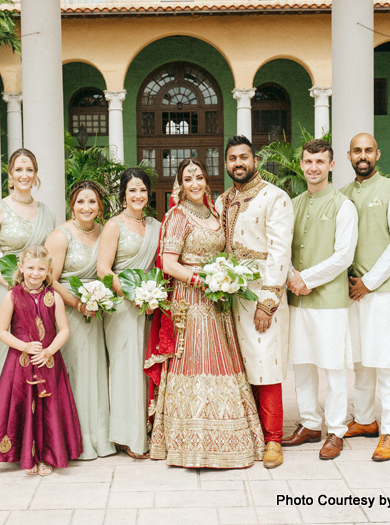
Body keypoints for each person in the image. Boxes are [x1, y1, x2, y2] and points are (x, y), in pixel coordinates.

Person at [146, 158, 265, 469]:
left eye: (199, 176)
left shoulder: (214, 214)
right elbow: (169, 263)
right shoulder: (178, 216)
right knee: (196, 362)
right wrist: (201, 280)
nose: (195, 183)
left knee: (223, 359)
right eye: (188, 179)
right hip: (191, 299)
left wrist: (225, 277)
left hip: (218, 298)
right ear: (180, 186)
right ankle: (190, 442)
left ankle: (230, 438)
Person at [214, 135, 293, 469]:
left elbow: (280, 250)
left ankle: (273, 439)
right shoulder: (222, 200)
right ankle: (250, 434)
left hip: (261, 295)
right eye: (232, 158)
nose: (238, 163)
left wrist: (268, 301)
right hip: (228, 298)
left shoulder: (275, 197)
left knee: (266, 363)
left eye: (243, 157)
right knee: (239, 367)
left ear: (255, 160)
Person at [339, 133, 390, 461]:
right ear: (349, 155)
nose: (363, 155)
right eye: (357, 150)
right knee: (360, 362)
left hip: (382, 292)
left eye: (369, 149)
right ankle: (366, 420)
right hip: (351, 293)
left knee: (386, 362)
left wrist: (369, 281)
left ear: (377, 153)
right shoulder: (341, 195)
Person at [0, 246, 81, 475]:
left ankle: (46, 457)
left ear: (49, 270)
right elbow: (1, 330)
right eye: (31, 268)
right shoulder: (11, 296)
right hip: (20, 363)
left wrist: (48, 352)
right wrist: (24, 346)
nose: (35, 273)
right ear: (21, 268)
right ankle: (27, 457)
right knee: (24, 407)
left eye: (41, 269)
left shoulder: (53, 297)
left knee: (47, 408)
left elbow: (63, 330)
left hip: (48, 362)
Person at [284, 139, 358, 460]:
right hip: (296, 300)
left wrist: (306, 279)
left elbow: (344, 256)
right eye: (308, 161)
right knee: (301, 362)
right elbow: (281, 248)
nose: (313, 167)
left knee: (334, 366)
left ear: (330, 165)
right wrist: (290, 276)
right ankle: (311, 423)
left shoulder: (343, 205)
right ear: (302, 164)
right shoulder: (292, 204)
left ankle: (337, 429)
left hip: (329, 301)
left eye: (319, 162)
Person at [45, 181, 116, 460]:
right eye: (80, 202)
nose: (86, 207)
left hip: (97, 310)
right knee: (76, 372)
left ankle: (99, 436)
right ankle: (76, 439)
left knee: (97, 371)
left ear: (100, 206)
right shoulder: (60, 236)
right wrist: (78, 303)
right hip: (70, 311)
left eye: (92, 202)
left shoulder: (105, 232)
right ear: (72, 206)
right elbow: (50, 277)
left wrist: (97, 300)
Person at [97, 168, 161, 459]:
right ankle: (126, 436)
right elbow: (103, 270)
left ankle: (147, 430)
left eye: (143, 190)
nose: (138, 195)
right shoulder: (114, 225)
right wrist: (133, 294)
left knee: (145, 368)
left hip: (150, 304)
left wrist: (152, 295)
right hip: (123, 305)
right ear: (123, 194)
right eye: (132, 190)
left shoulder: (155, 225)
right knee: (126, 369)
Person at [0, 148, 56, 380]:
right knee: (11, 351)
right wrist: (8, 282)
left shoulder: (47, 212)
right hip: (9, 288)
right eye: (19, 169)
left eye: (29, 169)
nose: (24, 175)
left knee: (41, 345)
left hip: (40, 292)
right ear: (10, 175)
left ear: (36, 174)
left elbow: (51, 255)